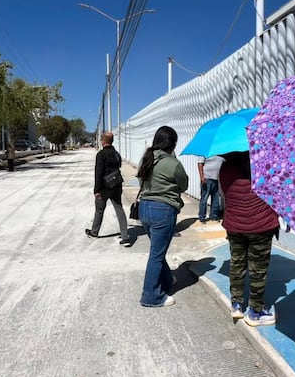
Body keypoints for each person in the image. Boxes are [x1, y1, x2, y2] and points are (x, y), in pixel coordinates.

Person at [219, 151, 279, 326]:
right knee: (258, 270)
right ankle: (256, 311)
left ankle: (236, 304)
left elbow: (224, 194)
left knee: (237, 263)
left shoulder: (225, 168)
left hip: (235, 224)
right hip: (261, 225)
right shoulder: (263, 165)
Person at [136, 126, 188, 307]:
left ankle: (166, 280)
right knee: (156, 255)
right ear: (173, 144)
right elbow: (184, 185)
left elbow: (140, 180)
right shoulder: (173, 164)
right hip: (163, 210)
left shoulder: (146, 158)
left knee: (157, 251)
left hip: (144, 208)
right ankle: (151, 296)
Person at [86, 131, 131, 246]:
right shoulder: (116, 154)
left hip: (104, 187)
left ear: (103, 141)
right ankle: (125, 237)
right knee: (119, 209)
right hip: (116, 185)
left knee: (99, 210)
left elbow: (99, 172)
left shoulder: (101, 154)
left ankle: (94, 232)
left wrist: (96, 190)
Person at [197, 155, 224, 223]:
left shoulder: (220, 152)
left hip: (216, 179)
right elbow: (200, 164)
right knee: (204, 198)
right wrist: (202, 177)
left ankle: (214, 216)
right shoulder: (204, 151)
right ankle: (202, 217)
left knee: (216, 198)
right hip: (206, 179)